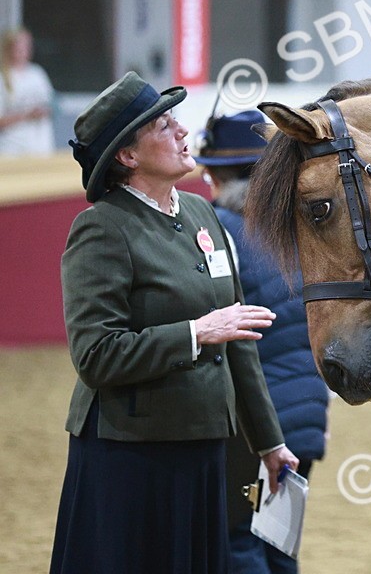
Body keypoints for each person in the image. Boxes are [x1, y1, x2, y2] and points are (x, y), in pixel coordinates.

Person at [51, 72, 299, 574]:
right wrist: (196, 332)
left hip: (205, 450)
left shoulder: (202, 215)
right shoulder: (102, 227)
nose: (183, 132)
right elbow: (96, 355)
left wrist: (270, 444)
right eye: (164, 125)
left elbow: (240, 342)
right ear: (127, 155)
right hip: (130, 455)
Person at [194, 109, 329, 574]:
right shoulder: (306, 232)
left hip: (255, 424)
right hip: (309, 413)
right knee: (279, 545)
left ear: (215, 173)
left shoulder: (216, 232)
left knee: (237, 542)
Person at [0, 26, 54, 155]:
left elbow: (51, 104)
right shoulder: (3, 77)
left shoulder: (37, 73)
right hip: (12, 149)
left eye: (28, 45)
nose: (25, 49)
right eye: (20, 45)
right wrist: (28, 115)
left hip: (41, 147)